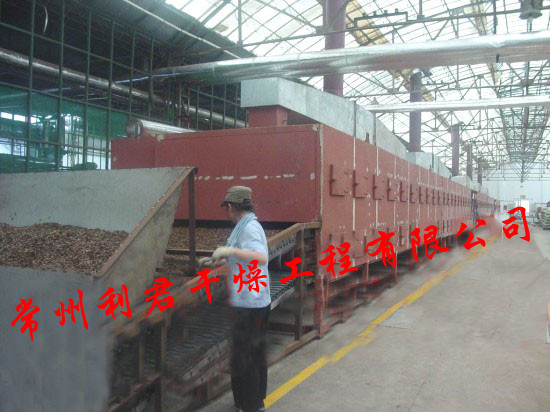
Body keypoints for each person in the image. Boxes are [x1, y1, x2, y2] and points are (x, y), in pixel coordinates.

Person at [211, 186, 271, 412]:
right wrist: (220, 261)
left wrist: (229, 252)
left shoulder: (250, 228)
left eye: (225, 208)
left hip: (250, 304)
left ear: (230, 207)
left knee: (245, 357)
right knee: (252, 353)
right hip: (251, 300)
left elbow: (260, 257)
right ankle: (251, 401)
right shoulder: (244, 226)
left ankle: (252, 405)